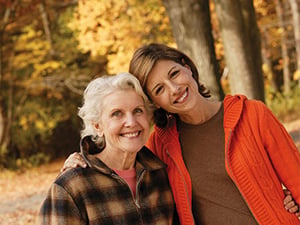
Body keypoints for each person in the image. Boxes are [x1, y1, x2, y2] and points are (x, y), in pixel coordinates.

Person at [61, 43, 300, 225]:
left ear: (187, 67)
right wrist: (83, 159)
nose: (174, 89)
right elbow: (119, 165)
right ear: (154, 102)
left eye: (174, 74)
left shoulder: (252, 115)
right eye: (159, 89)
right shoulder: (160, 144)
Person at [37, 72, 176, 225]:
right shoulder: (72, 186)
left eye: (138, 111)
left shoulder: (159, 175)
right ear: (97, 126)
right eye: (117, 114)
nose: (131, 122)